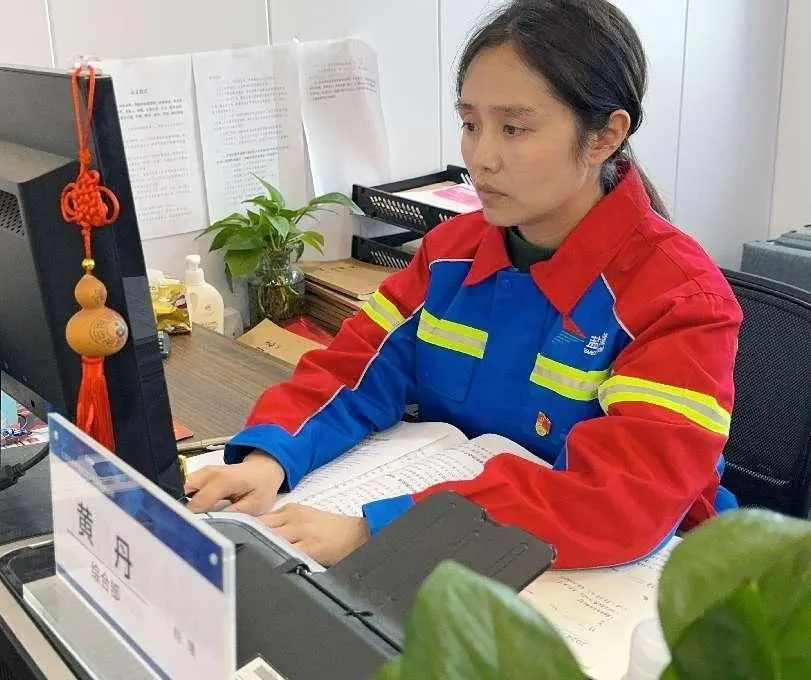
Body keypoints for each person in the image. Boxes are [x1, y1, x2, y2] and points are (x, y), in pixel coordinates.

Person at [186, 0, 742, 569]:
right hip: (470, 538)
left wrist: (386, 530)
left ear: (604, 137)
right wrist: (270, 458)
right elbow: (354, 367)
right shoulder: (451, 252)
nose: (482, 158)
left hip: (635, 577)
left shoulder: (679, 298)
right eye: (471, 124)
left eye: (514, 128)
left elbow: (620, 500)